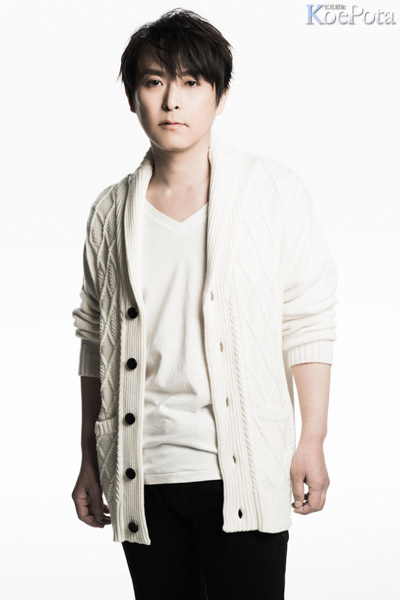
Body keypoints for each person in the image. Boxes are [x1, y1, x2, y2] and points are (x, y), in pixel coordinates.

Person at [71, 7, 338, 600]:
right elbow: (94, 341)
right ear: (133, 97)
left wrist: (312, 439)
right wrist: (89, 459)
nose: (172, 100)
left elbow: (307, 317)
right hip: (143, 474)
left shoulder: (271, 191)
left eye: (191, 82)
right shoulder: (109, 212)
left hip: (245, 468)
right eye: (154, 81)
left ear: (220, 95)